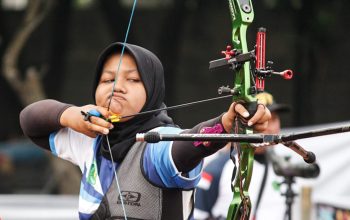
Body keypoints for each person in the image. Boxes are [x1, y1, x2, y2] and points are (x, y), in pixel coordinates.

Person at [19, 42, 271, 220]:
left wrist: (225, 125)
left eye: (133, 79)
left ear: (152, 90)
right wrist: (70, 115)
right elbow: (30, 121)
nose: (116, 87)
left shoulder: (156, 146)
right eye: (107, 80)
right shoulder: (91, 139)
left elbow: (184, 148)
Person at [194, 92, 290, 220]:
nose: (272, 128)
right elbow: (198, 215)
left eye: (275, 119)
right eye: (266, 120)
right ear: (248, 123)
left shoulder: (283, 167)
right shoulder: (218, 168)